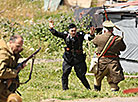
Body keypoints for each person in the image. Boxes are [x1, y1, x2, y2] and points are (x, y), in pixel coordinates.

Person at [49, 21, 94, 90]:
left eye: (75, 31)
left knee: (81, 75)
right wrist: (52, 28)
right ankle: (65, 89)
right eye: (72, 31)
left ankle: (88, 88)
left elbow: (88, 37)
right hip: (68, 58)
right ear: (69, 31)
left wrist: (91, 34)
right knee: (65, 73)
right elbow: (57, 34)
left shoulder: (80, 35)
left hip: (78, 58)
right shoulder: (65, 35)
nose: (73, 32)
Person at [91, 20, 126, 91]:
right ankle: (115, 97)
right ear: (112, 29)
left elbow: (94, 42)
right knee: (113, 81)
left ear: (104, 29)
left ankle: (96, 93)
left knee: (97, 79)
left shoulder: (98, 37)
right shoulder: (118, 39)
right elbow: (123, 48)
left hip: (101, 63)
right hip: (113, 63)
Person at [0, 35, 25, 102]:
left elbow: (9, 65)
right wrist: (14, 72)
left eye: (20, 46)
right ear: (10, 42)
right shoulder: (3, 53)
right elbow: (1, 72)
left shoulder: (11, 52)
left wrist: (19, 66)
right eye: (17, 46)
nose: (19, 49)